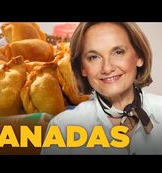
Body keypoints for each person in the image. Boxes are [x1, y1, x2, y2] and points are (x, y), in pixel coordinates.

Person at [41, 22, 162, 155]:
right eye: (94, 57)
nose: (107, 68)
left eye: (118, 52)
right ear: (82, 68)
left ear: (139, 57)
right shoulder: (63, 128)